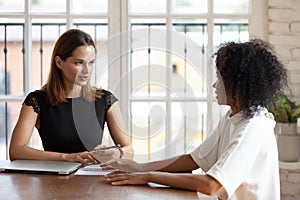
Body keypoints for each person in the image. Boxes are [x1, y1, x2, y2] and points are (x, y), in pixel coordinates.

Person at [101, 39, 287, 200]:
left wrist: (148, 176)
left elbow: (211, 184)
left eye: (220, 79)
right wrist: (139, 168)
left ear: (239, 86)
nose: (214, 85)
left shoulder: (253, 128)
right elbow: (194, 160)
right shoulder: (234, 116)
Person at [9, 29, 133, 165]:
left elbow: (129, 150)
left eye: (91, 62)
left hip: (92, 180)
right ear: (59, 63)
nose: (87, 70)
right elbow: (16, 151)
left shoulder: (105, 100)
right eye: (79, 63)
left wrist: (117, 153)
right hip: (52, 181)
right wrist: (67, 157)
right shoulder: (36, 101)